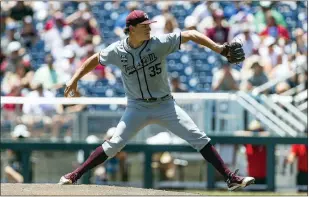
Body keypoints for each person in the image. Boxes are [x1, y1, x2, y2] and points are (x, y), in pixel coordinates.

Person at [59, 10, 254, 190]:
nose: (150, 28)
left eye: (150, 25)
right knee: (114, 144)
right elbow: (95, 58)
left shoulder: (158, 43)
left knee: (199, 138)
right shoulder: (117, 50)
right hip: (137, 107)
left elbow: (191, 34)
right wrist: (74, 79)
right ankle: (74, 175)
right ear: (132, 29)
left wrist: (219, 48)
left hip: (165, 105)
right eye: (145, 26)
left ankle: (230, 178)